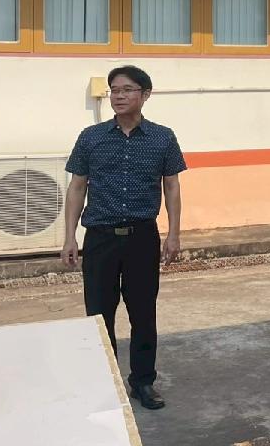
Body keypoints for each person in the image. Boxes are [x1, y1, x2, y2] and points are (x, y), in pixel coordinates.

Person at [62, 65, 186, 411]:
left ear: (145, 95)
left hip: (142, 238)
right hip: (100, 238)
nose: (118, 96)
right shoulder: (91, 137)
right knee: (98, 314)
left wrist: (174, 234)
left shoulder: (163, 138)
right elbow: (77, 187)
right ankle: (104, 381)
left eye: (127, 90)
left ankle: (143, 382)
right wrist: (70, 237)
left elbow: (172, 186)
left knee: (143, 313)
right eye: (114, 90)